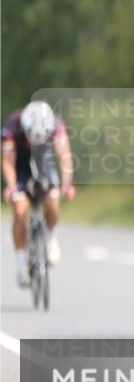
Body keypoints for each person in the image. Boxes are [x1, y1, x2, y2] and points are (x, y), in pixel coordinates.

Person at [2, 101, 76, 286]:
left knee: (53, 199)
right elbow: (7, 162)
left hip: (44, 160)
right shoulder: (12, 125)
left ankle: (51, 239)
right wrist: (11, 186)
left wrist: (67, 184)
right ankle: (21, 264)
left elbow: (64, 156)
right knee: (19, 211)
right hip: (20, 163)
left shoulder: (56, 125)